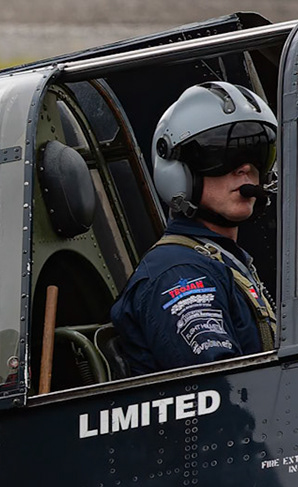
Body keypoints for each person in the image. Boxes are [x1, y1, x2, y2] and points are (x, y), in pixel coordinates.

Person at [111, 82, 280, 376]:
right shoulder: (179, 272)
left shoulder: (222, 260)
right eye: (221, 155)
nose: (244, 169)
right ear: (178, 171)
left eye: (257, 153)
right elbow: (222, 387)